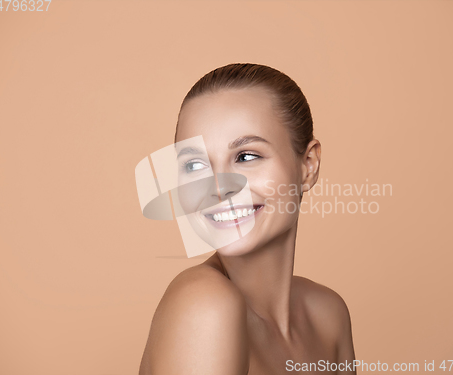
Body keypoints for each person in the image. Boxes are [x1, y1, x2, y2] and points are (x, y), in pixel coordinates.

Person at [138, 63, 356, 375]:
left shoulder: (327, 314)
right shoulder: (204, 306)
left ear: (308, 164)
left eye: (246, 157)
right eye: (195, 165)